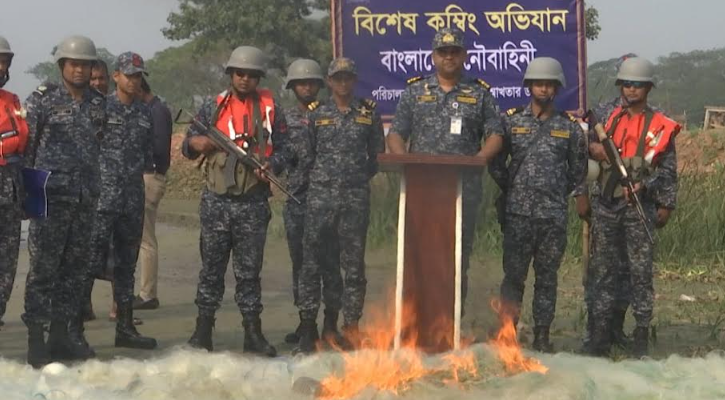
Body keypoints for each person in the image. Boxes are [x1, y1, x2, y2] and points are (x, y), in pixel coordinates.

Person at [386, 27, 504, 309]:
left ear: (464, 56)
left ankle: (450, 324)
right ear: (433, 56)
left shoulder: (479, 93)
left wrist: (479, 159)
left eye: (454, 52)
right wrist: (406, 163)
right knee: (418, 254)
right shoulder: (415, 91)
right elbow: (396, 134)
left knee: (456, 256)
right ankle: (415, 320)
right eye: (443, 52)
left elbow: (496, 134)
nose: (448, 57)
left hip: (462, 189)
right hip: (421, 189)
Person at [184, 46, 289, 357]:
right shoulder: (211, 108)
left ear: (258, 78)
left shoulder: (272, 109)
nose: (244, 79)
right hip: (216, 201)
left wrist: (272, 165)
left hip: (253, 202)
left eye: (251, 75)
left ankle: (252, 333)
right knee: (211, 270)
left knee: (249, 273)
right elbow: (189, 145)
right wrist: (197, 142)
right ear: (231, 75)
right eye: (239, 73)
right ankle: (202, 331)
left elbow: (285, 150)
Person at [488, 57, 588, 352]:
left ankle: (543, 335)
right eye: (539, 83)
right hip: (517, 214)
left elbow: (578, 170)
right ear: (529, 86)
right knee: (514, 278)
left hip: (552, 217)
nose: (544, 89)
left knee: (547, 279)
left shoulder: (569, 128)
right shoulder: (511, 121)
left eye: (549, 84)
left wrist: (557, 191)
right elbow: (496, 162)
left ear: (557, 88)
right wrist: (512, 188)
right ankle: (507, 332)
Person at [582, 57, 679, 357]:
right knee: (603, 271)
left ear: (648, 88)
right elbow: (584, 145)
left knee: (639, 273)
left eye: (637, 85)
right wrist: (593, 148)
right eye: (626, 84)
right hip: (607, 204)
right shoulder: (608, 117)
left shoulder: (660, 126)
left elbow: (668, 170)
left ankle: (639, 336)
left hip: (639, 207)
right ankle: (600, 336)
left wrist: (654, 193)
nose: (631, 89)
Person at [22, 35, 105, 368]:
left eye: (85, 64)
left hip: (85, 199)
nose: (80, 70)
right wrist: (29, 198)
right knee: (43, 269)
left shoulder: (100, 103)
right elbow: (28, 148)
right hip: (50, 198)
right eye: (74, 64)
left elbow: (103, 145)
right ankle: (36, 339)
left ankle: (62, 335)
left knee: (75, 270)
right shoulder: (42, 100)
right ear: (62, 66)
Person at [296, 57, 385, 354]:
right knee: (314, 265)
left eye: (348, 78)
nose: (343, 83)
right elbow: (307, 157)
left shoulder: (368, 114)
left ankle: (350, 327)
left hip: (355, 200)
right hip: (320, 199)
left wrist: (352, 180)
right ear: (330, 82)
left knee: (354, 268)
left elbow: (376, 158)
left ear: (354, 81)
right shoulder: (316, 114)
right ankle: (309, 327)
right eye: (338, 78)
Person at [82, 52, 158, 352]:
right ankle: (74, 327)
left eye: (138, 75)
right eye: (128, 74)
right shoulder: (100, 107)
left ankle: (125, 327)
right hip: (103, 197)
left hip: (132, 197)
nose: (134, 80)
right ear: (116, 76)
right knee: (89, 261)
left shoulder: (144, 112)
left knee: (126, 264)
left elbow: (148, 153)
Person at [280, 59, 344, 345]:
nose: (306, 87)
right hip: (298, 199)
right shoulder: (283, 119)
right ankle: (305, 323)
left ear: (320, 85)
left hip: (330, 199)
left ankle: (331, 324)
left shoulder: (334, 114)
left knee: (330, 263)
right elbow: (278, 154)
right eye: (300, 83)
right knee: (302, 265)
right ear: (292, 86)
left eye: (311, 82)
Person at [133, 76, 172, 311]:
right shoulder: (156, 108)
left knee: (145, 238)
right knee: (144, 236)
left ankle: (148, 294)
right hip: (152, 174)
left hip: (151, 174)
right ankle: (147, 292)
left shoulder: (155, 111)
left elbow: (157, 148)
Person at [0, 36, 29, 329]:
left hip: (10, 191)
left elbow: (23, 140)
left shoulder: (12, 101)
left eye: (4, 61)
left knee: (7, 259)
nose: (0, 66)